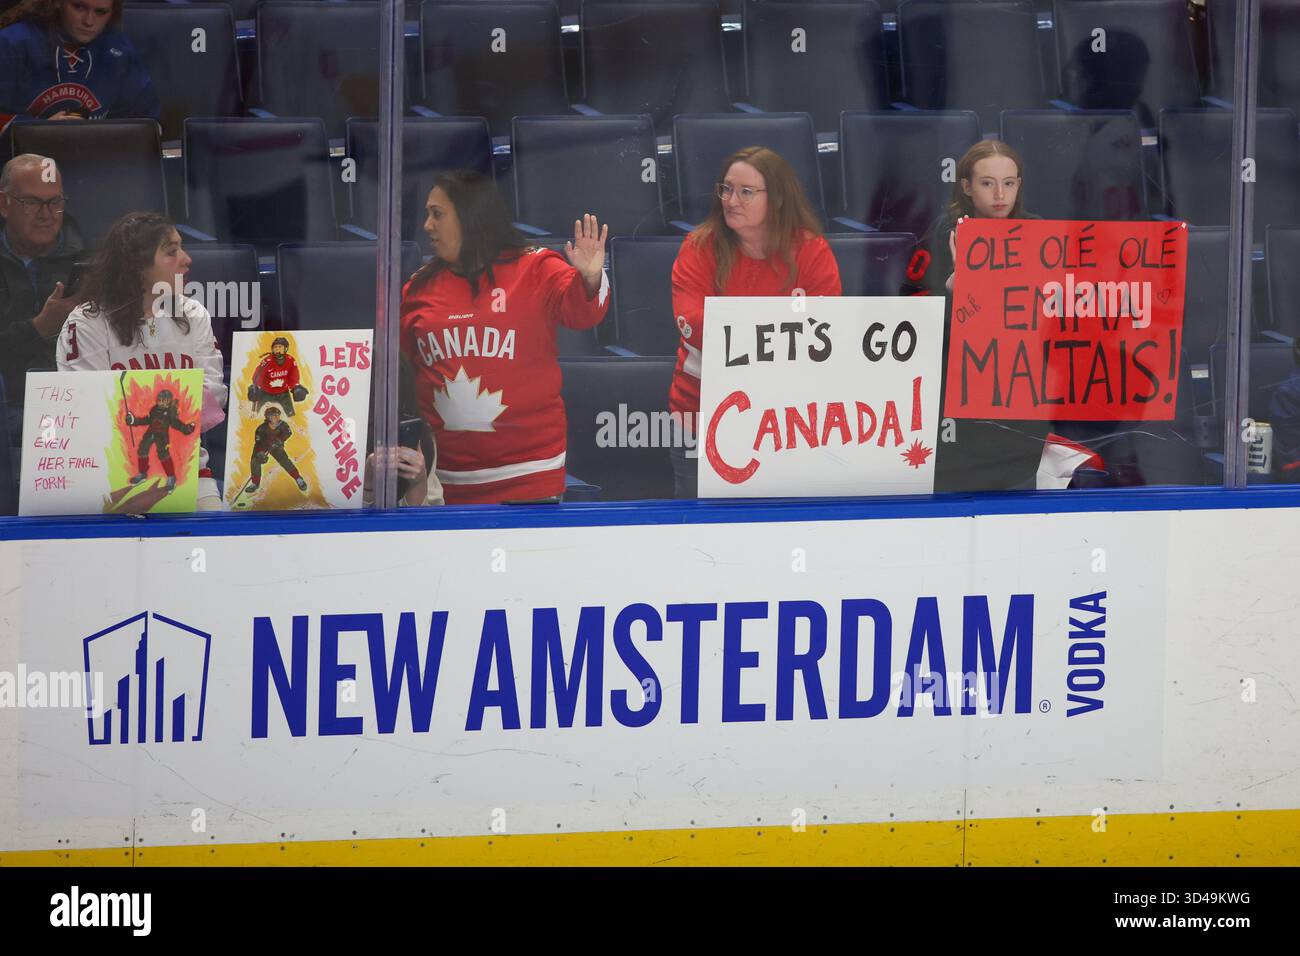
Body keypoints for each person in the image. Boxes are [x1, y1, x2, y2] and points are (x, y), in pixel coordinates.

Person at [400, 169, 609, 505]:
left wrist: (589, 279)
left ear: (470, 218)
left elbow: (584, 313)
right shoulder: (419, 288)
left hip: (530, 479)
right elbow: (401, 375)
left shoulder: (536, 268)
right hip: (444, 484)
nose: (427, 226)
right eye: (427, 214)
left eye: (437, 215)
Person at [668, 145, 841, 497]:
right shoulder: (699, 247)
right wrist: (783, 322)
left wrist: (739, 320)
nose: (731, 200)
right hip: (700, 416)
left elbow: (826, 329)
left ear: (777, 198)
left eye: (746, 192)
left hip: (788, 420)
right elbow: (694, 323)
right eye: (726, 189)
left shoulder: (811, 249)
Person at [902, 139, 1052, 493]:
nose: (1000, 193)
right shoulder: (941, 235)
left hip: (1020, 392)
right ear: (967, 187)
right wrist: (953, 292)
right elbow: (910, 317)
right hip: (958, 396)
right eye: (988, 183)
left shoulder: (1040, 233)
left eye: (1009, 183)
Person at [56, 211, 228, 509]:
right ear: (137, 266)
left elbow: (214, 395)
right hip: (109, 477)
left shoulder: (194, 314)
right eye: (171, 252)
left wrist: (139, 405)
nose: (186, 259)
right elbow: (88, 408)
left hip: (189, 473)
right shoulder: (86, 323)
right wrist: (173, 403)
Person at [0, 154, 84, 435]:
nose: (46, 214)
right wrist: (39, 328)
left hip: (72, 407)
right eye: (32, 202)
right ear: (4, 204)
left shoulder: (91, 260)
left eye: (55, 202)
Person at [0, 0, 158, 126]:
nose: (89, 21)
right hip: (20, 161)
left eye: (100, 12)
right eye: (79, 7)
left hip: (94, 159)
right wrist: (39, 130)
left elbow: (147, 121)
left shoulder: (119, 50)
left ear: (112, 13)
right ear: (57, 3)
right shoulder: (12, 44)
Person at [124, 387, 194, 492]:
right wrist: (133, 420)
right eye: (159, 400)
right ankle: (142, 473)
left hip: (162, 436)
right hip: (150, 433)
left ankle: (171, 477)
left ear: (169, 401)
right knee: (143, 449)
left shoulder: (170, 412)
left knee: (163, 454)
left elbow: (175, 423)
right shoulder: (154, 409)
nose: (161, 403)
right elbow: (147, 420)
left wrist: (187, 428)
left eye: (164, 401)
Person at [247, 406, 307, 494]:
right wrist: (260, 452)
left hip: (276, 447)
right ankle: (255, 483)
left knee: (285, 461)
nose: (277, 417)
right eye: (273, 415)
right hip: (263, 447)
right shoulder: (261, 428)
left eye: (278, 415)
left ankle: (298, 478)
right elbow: (258, 441)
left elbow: (288, 432)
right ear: (268, 417)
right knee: (255, 461)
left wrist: (280, 439)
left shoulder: (283, 425)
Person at [249, 336, 308, 417]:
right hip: (265, 392)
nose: (277, 349)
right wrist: (255, 387)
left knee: (291, 416)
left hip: (283, 392)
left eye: (280, 347)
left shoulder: (290, 360)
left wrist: (295, 387)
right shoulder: (267, 361)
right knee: (255, 416)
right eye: (275, 347)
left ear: (285, 348)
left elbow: (293, 376)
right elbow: (257, 376)